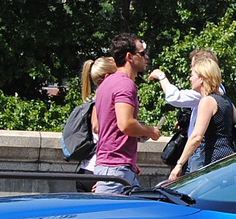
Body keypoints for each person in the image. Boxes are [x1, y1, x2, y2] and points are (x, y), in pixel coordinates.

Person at [91, 34, 161, 195]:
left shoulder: (106, 83)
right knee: (108, 218)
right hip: (116, 168)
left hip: (115, 166)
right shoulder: (125, 84)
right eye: (142, 53)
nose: (146, 57)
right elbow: (126, 124)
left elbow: (99, 126)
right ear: (129, 57)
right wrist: (149, 130)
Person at [167, 57, 236, 179]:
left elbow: (196, 137)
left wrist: (179, 164)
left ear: (202, 78)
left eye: (192, 75)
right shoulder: (225, 100)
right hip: (227, 155)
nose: (190, 78)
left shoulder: (207, 101)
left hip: (211, 159)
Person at [150, 49, 224, 140]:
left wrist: (161, 76)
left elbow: (175, 97)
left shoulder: (207, 94)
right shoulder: (219, 90)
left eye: (193, 66)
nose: (191, 69)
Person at [75, 55, 115, 189]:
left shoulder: (96, 98)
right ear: (108, 76)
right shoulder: (103, 98)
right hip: (97, 172)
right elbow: (98, 128)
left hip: (86, 169)